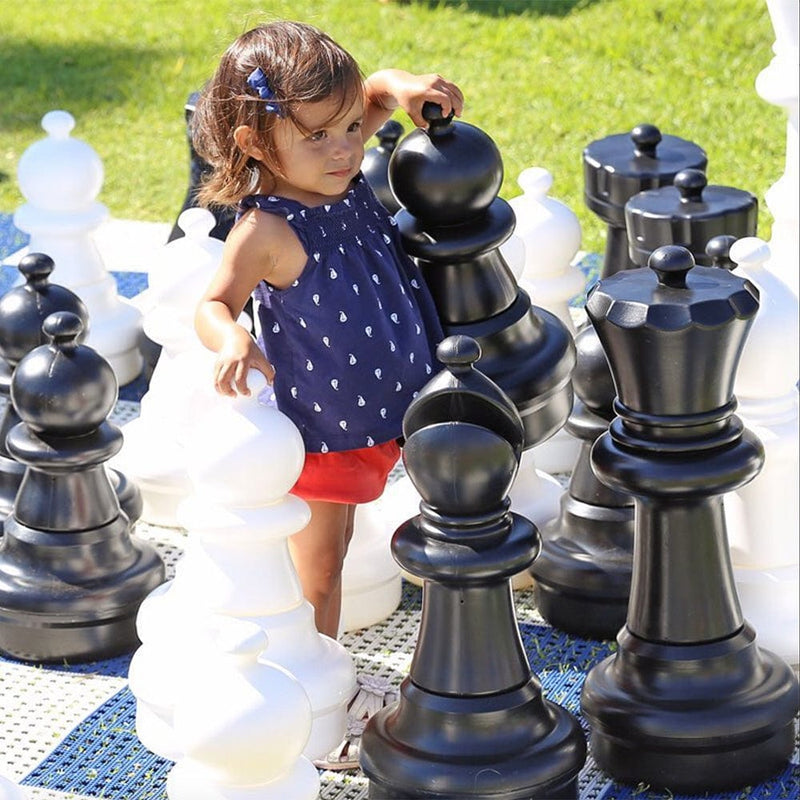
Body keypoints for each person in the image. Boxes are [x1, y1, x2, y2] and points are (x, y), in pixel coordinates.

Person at [193, 20, 463, 640]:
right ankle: (316, 678)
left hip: (396, 405)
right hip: (327, 427)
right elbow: (213, 305)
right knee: (319, 569)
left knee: (352, 547)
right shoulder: (265, 232)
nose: (346, 148)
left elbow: (373, 93)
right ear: (255, 142)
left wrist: (408, 86)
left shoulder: (331, 168)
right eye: (318, 135)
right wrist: (235, 340)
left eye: (348, 129)